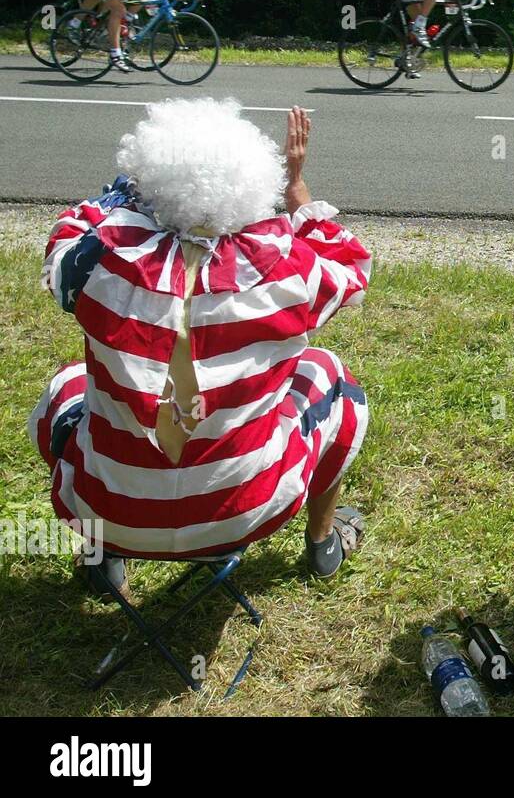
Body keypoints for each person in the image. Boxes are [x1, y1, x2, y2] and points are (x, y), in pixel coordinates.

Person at [29, 100, 371, 596]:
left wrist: (124, 191)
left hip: (104, 510)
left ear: (151, 177)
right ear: (254, 182)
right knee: (331, 376)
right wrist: (296, 189)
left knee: (68, 385)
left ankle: (102, 560)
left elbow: (68, 234)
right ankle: (322, 543)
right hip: (246, 511)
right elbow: (352, 265)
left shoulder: (103, 259)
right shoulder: (284, 265)